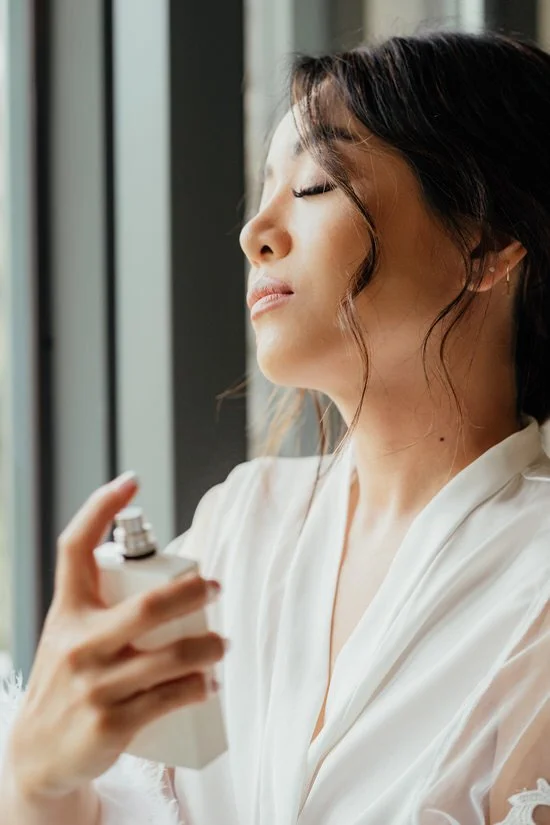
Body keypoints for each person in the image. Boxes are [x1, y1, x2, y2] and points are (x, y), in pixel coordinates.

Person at [1, 27, 550, 825]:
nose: (255, 231)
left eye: (318, 184)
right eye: (265, 187)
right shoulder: (236, 529)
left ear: (487, 243)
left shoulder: (535, 586)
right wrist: (40, 779)